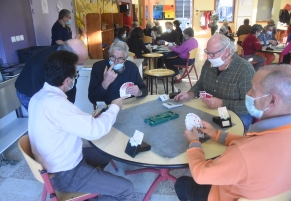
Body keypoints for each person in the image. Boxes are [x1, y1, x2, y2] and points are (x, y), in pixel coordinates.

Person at [174, 64, 291, 201]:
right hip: (269, 189)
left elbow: (201, 175)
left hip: (222, 195)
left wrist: (194, 142)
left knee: (182, 184)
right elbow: (254, 143)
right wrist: (216, 134)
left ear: (272, 100)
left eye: (253, 90)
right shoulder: (276, 136)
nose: (248, 94)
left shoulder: (243, 154)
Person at [28, 50, 133, 201]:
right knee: (127, 189)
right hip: (64, 173)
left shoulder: (38, 97)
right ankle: (92, 187)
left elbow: (66, 122)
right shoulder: (58, 106)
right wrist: (115, 106)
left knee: (106, 152)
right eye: (75, 76)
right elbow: (96, 131)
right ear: (66, 81)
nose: (74, 79)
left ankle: (94, 186)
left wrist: (89, 119)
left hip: (55, 161)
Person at [174, 34, 255, 130]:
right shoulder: (209, 64)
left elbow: (250, 106)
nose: (208, 57)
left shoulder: (244, 70)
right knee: (188, 125)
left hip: (238, 115)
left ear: (227, 52)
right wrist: (190, 94)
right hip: (212, 111)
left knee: (217, 134)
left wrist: (222, 103)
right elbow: (201, 84)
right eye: (207, 52)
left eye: (212, 54)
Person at [15, 39, 88, 109]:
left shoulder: (68, 59)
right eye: (79, 63)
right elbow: (39, 97)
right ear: (68, 57)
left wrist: (69, 106)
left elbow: (70, 85)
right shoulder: (40, 63)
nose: (82, 66)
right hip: (29, 90)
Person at [88, 41, 148, 105]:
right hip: (107, 109)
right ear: (108, 53)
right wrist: (105, 83)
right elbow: (92, 99)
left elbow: (144, 90)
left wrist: (139, 92)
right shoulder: (98, 67)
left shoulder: (132, 67)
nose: (116, 62)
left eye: (120, 58)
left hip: (128, 107)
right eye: (113, 57)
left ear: (126, 57)